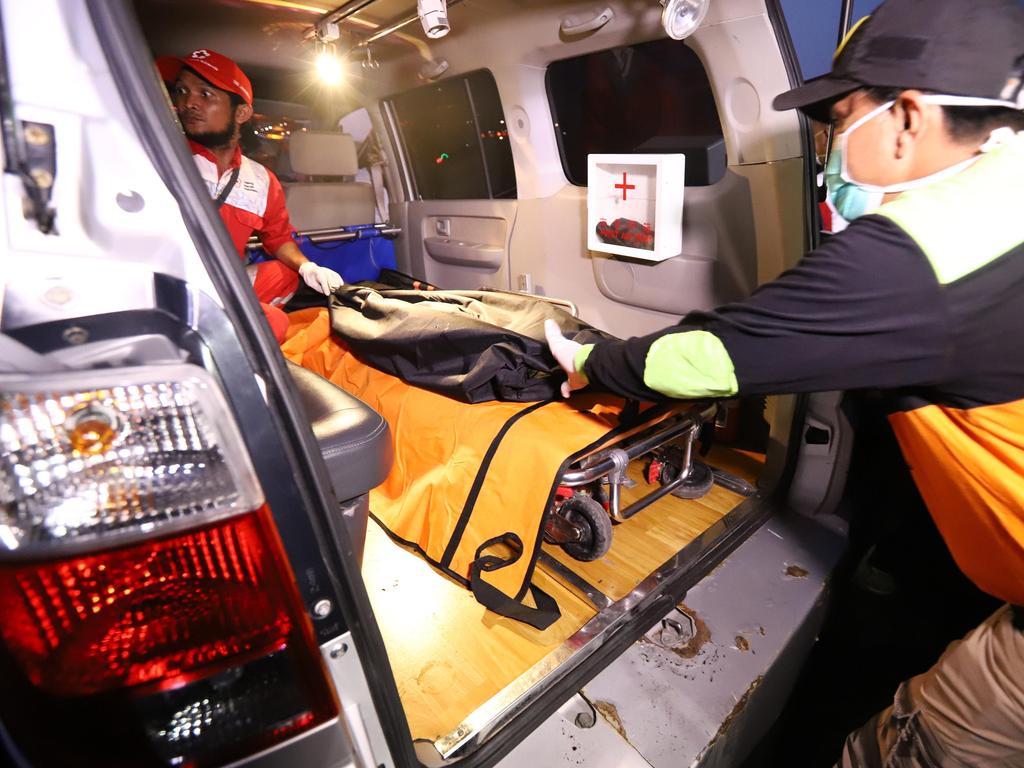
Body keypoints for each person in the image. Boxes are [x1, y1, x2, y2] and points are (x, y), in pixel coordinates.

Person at [545, 0, 1024, 765]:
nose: (830, 141)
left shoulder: (917, 256)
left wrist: (591, 362)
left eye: (840, 116)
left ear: (906, 119)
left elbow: (713, 359)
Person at [157, 49, 343, 341]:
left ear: (241, 113)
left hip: (221, 283)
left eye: (205, 94)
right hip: (168, 287)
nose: (188, 103)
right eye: (181, 91)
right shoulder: (160, 159)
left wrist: (308, 267)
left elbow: (278, 238)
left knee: (287, 274)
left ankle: (228, 326)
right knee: (276, 324)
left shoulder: (261, 179)